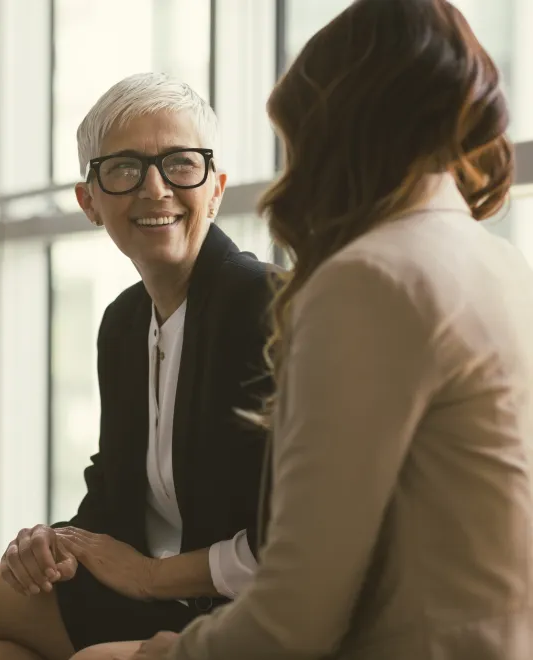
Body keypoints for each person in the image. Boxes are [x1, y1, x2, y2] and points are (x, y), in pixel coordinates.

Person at [96, 1, 533, 659]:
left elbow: (290, 617)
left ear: (332, 131)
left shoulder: (370, 279)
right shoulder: (497, 260)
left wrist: (156, 651)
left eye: (292, 140)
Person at [0, 73, 277, 660]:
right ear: (89, 201)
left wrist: (149, 577)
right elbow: (117, 491)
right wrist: (54, 541)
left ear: (215, 188)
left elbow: (297, 540)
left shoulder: (264, 305)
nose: (156, 188)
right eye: (123, 168)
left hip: (246, 606)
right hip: (161, 596)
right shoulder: (122, 322)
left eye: (180, 164)